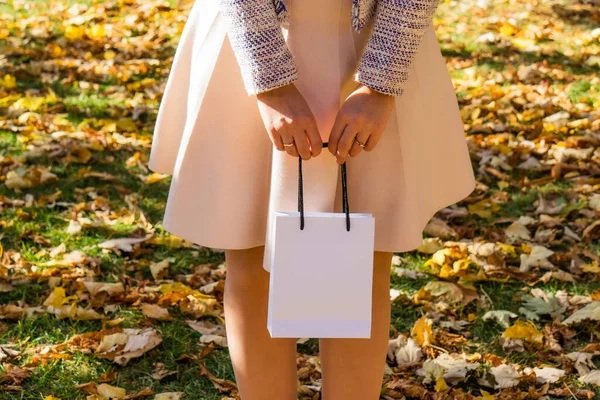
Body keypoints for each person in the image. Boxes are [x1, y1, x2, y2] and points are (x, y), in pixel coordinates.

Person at [148, 0, 476, 398]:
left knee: (363, 250)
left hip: (375, 35)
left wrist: (378, 84)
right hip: (249, 32)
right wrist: (269, 82)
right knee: (251, 249)